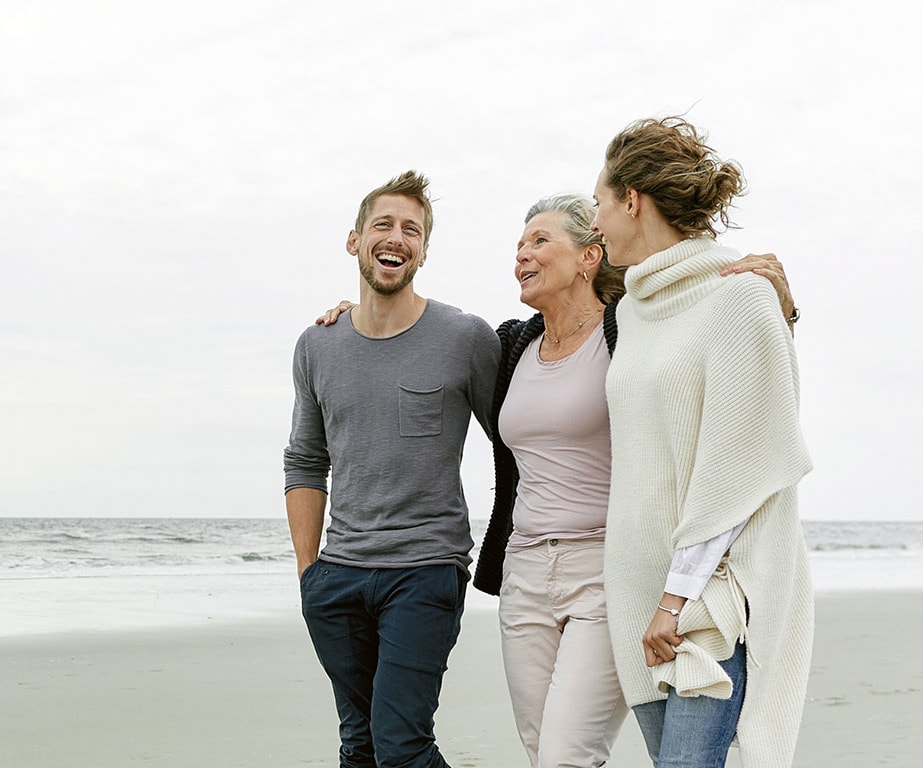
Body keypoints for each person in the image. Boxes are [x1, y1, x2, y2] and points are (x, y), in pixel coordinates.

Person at [318, 197, 795, 768]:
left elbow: (717, 350)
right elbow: (417, 342)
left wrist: (780, 309)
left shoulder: (630, 331)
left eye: (540, 241)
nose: (522, 253)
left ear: (590, 255)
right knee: (541, 750)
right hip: (523, 575)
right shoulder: (510, 344)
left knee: (566, 755)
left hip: (605, 571)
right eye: (520, 244)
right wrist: (360, 313)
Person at [592, 116, 813, 768]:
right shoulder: (632, 310)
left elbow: (741, 454)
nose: (595, 223)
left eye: (600, 204)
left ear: (632, 199)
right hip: (636, 590)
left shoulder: (740, 296)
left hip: (706, 597)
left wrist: (676, 597)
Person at [283, 170, 500, 768]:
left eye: (412, 229)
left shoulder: (464, 337)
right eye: (383, 224)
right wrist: (310, 575)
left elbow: (517, 440)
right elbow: (305, 459)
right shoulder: (317, 345)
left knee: (402, 747)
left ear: (424, 251)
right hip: (338, 577)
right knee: (360, 746)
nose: (396, 237)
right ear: (354, 240)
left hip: (425, 569)